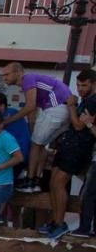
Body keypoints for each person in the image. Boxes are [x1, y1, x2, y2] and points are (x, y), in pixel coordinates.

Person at [41, 69, 96, 240]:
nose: (80, 88)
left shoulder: (93, 102)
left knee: (59, 183)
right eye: (78, 85)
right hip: (68, 146)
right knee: (53, 181)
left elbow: (79, 125)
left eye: (84, 85)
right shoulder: (86, 100)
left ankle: (60, 223)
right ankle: (56, 221)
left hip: (79, 149)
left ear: (93, 84)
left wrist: (71, 106)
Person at [2, 62, 71, 194]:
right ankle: (36, 180)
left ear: (18, 72)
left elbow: (30, 106)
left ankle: (30, 179)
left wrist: (9, 120)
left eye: (7, 74)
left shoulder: (27, 79)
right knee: (40, 144)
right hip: (62, 109)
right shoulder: (30, 83)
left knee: (35, 143)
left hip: (56, 107)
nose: (4, 78)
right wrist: (32, 128)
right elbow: (33, 112)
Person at [0, 92, 30, 183]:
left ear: (2, 106)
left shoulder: (9, 115)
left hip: (17, 157)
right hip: (10, 156)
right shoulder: (8, 113)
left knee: (0, 184)